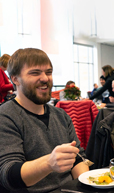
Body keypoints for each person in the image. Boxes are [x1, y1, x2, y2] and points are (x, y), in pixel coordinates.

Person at [0, 48, 89, 192]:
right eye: (35, 73)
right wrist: (49, 163)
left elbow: (78, 159)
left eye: (48, 72)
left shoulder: (61, 115)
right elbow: (8, 175)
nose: (45, 78)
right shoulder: (6, 116)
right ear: (15, 79)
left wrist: (89, 184)